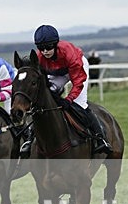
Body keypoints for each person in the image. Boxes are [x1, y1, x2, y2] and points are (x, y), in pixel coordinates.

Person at [33, 24, 112, 154]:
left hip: (77, 69)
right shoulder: (40, 58)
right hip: (59, 72)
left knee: (79, 104)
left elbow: (78, 81)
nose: (45, 51)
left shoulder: (68, 53)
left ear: (55, 44)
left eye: (48, 47)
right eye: (41, 48)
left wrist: (69, 99)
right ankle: (31, 139)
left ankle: (100, 139)